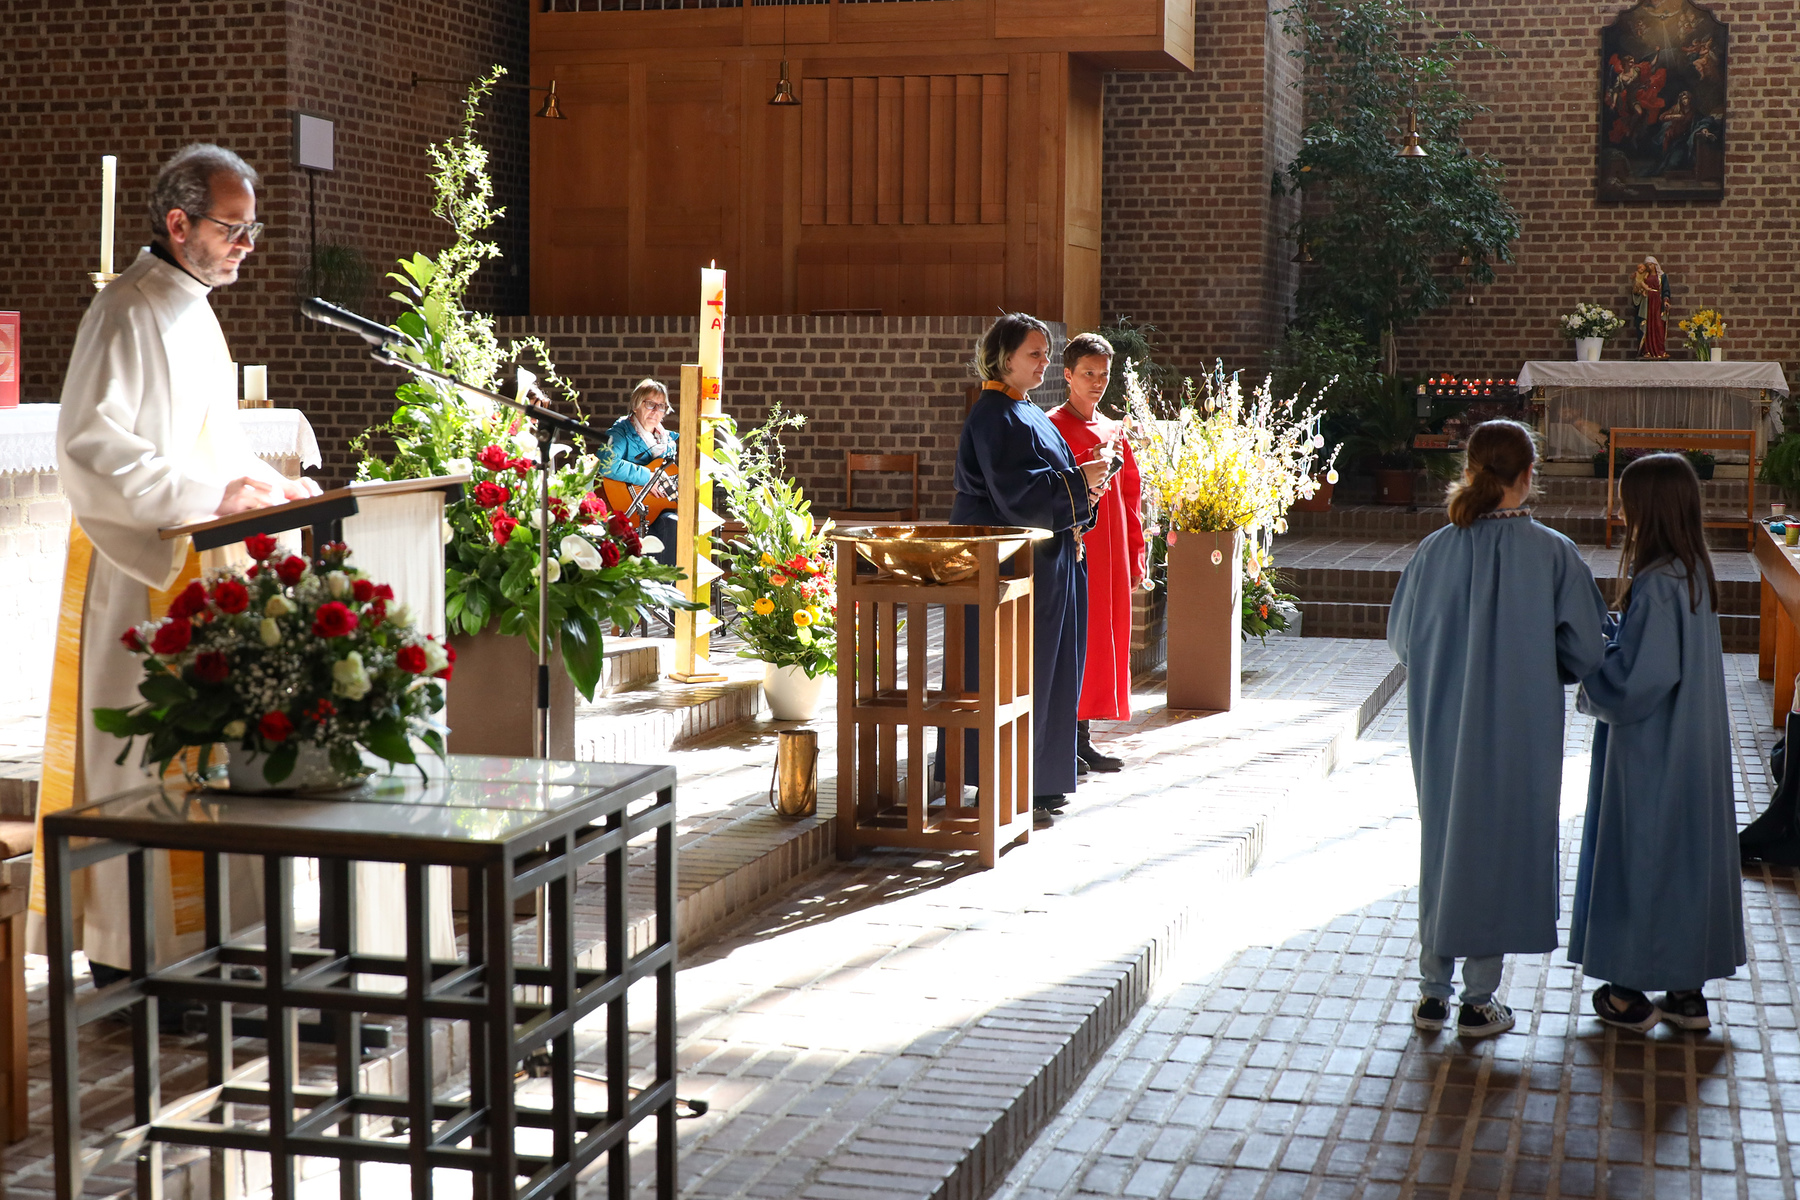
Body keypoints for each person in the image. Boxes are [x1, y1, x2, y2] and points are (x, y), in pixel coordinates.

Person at [35, 144, 318, 978]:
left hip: (197, 565)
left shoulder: (191, 308)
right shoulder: (126, 309)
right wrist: (209, 492)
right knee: (142, 756)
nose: (247, 245)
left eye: (252, 228)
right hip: (140, 572)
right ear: (177, 222)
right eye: (233, 228)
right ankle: (133, 955)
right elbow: (90, 447)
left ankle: (203, 949)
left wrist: (276, 485)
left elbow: (212, 446)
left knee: (203, 760)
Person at [1387, 420, 1607, 1038]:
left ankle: (1432, 994)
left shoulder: (1435, 550)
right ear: (1529, 475)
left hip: (1443, 723)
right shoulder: (1553, 553)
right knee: (1499, 846)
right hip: (1519, 726)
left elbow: (1402, 641)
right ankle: (1479, 1000)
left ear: (1470, 469)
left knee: (1446, 843)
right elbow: (1587, 649)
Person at [1571, 453, 1745, 1032]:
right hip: (1692, 742)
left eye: (1626, 504)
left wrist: (1589, 664)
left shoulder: (1657, 583)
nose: (1621, 514)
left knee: (1641, 855)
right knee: (1683, 860)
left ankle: (1626, 994)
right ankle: (1687, 994)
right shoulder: (1691, 573)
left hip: (1652, 749)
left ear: (1649, 510)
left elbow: (1638, 680)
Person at [946, 314, 1110, 820]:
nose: (1044, 362)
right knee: (1014, 672)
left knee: (1050, 670)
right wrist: (1080, 481)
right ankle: (1003, 780)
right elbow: (1017, 494)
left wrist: (1088, 485)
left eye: (1046, 353)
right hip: (1011, 566)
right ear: (1004, 357)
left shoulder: (1026, 410)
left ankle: (1039, 779)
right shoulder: (993, 414)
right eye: (1034, 354)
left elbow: (1053, 480)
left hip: (1048, 560)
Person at [1047, 333, 1145, 772]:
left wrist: (1136, 553)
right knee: (1074, 637)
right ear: (1068, 375)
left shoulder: (1114, 429)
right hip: (1076, 545)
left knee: (1102, 640)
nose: (1097, 382)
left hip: (1111, 549)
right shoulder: (1050, 425)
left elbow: (1129, 496)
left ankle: (1082, 738)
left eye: (1104, 374)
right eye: (1088, 373)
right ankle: (1062, 740)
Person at [601, 378, 679, 566]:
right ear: (636, 405)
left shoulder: (668, 442)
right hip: (625, 509)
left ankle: (666, 581)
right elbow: (607, 463)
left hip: (655, 512)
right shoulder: (621, 431)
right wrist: (647, 477)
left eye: (661, 406)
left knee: (673, 522)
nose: (655, 411)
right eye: (650, 404)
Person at [1631, 256, 1670, 359]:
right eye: (1647, 265)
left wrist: (1666, 301)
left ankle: (1660, 350)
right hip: (1647, 304)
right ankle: (1646, 350)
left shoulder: (1662, 276)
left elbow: (1666, 290)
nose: (1649, 267)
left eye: (1651, 264)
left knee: (1658, 326)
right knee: (1647, 326)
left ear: (1655, 265)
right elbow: (1638, 286)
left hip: (1657, 304)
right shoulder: (1644, 276)